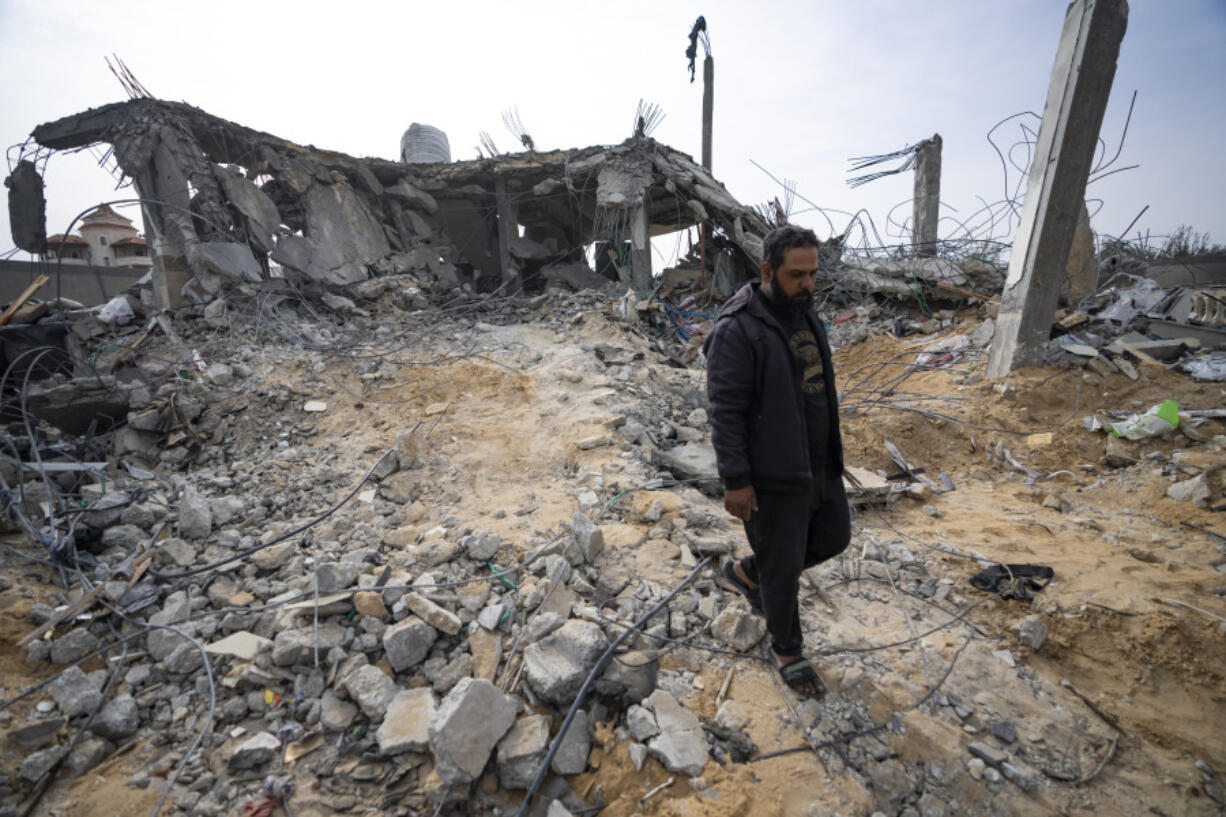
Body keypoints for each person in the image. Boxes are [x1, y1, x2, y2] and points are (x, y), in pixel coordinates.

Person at [703, 224, 850, 696]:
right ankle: (787, 648)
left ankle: (750, 572)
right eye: (796, 274)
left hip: (818, 462)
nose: (807, 283)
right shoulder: (737, 328)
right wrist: (736, 480)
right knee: (783, 568)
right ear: (767, 271)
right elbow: (726, 411)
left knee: (835, 536)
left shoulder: (806, 316)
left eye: (812, 274)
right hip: (772, 474)